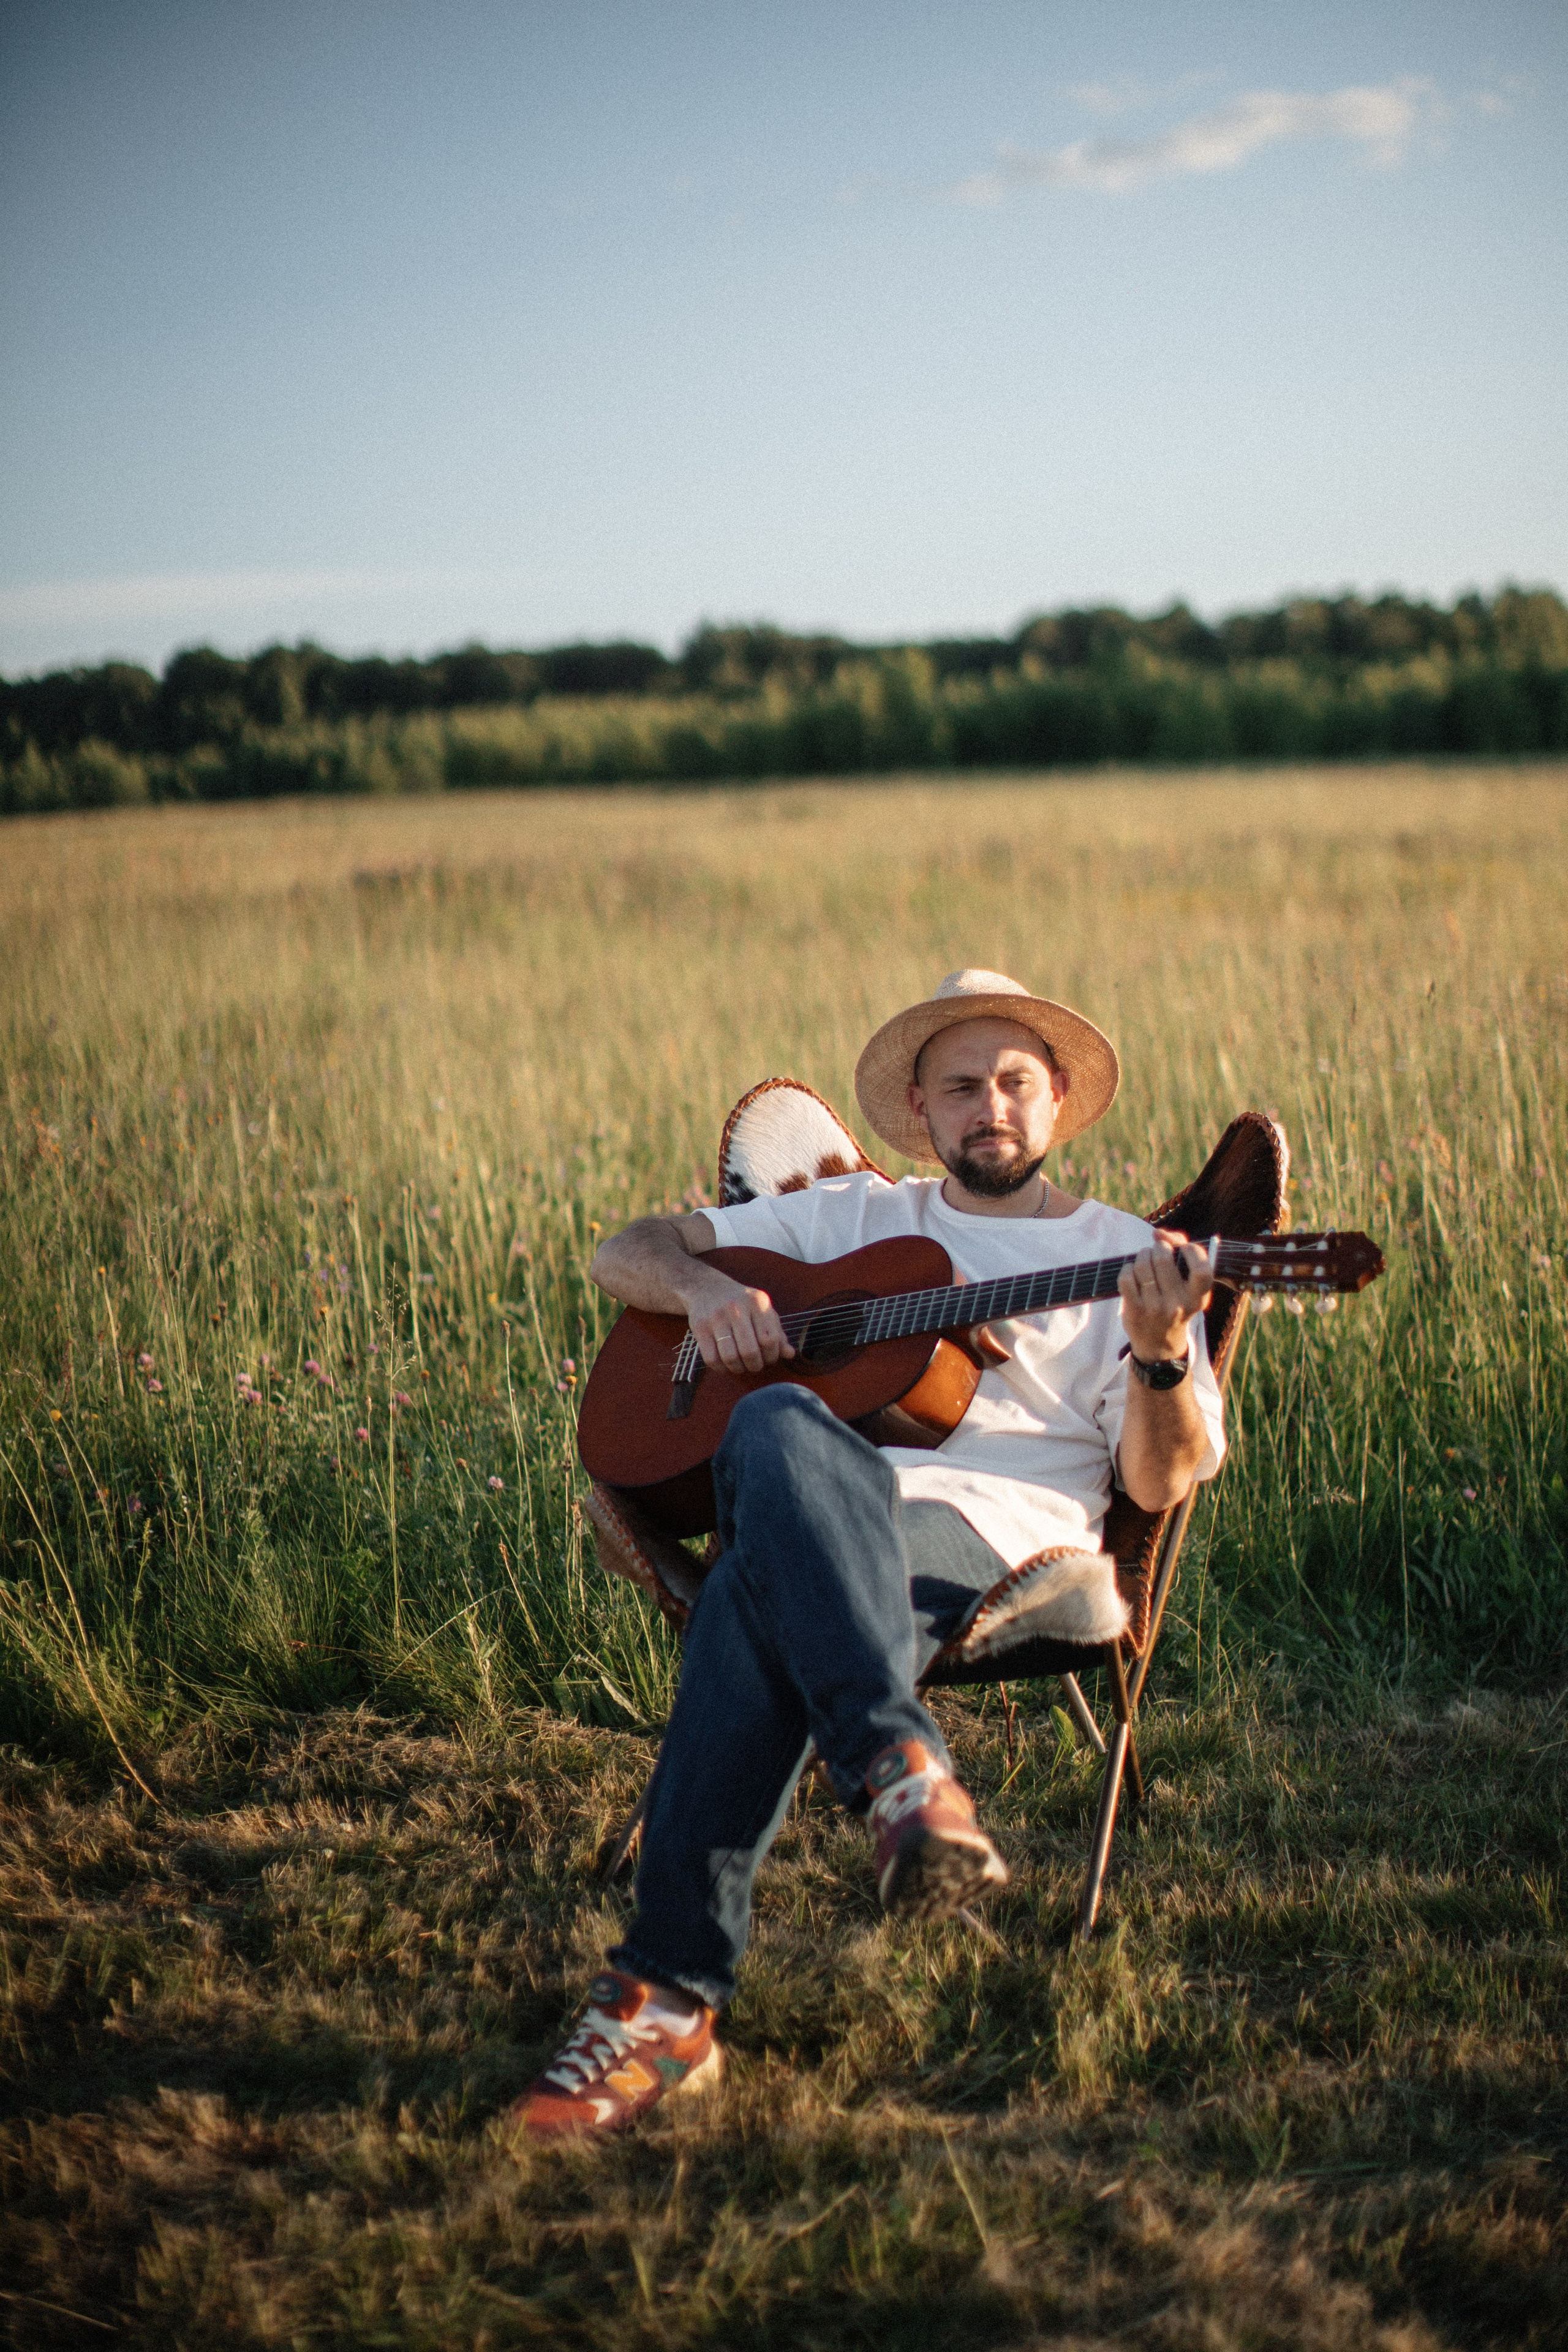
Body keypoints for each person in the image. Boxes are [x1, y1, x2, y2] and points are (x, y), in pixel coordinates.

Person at [508, 969, 1226, 2141]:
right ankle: (898, 1766)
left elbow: (1158, 1482)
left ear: (1057, 1100)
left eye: (1015, 1082)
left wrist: (1158, 1352)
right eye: (962, 1087)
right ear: (921, 1108)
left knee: (751, 1587)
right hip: (824, 1500)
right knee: (775, 1422)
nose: (991, 1107)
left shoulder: (1129, 1258)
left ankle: (664, 1999)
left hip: (999, 1543)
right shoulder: (854, 1218)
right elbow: (624, 1252)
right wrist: (702, 1292)